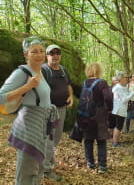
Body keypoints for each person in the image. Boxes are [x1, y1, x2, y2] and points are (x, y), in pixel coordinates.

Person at [0, 36, 57, 185]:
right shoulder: (22, 73)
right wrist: (27, 87)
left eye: (41, 51)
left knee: (37, 167)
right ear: (26, 54)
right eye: (34, 52)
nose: (39, 54)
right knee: (26, 170)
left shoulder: (42, 72)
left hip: (41, 126)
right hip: (29, 128)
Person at [41, 44, 73, 180]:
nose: (55, 55)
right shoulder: (43, 70)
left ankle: (48, 160)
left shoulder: (63, 70)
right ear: (46, 55)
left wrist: (70, 96)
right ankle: (45, 169)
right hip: (48, 110)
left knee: (57, 137)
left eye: (57, 53)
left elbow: (68, 85)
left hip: (62, 109)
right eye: (51, 53)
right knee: (48, 138)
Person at [80, 63, 113, 173]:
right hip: (99, 114)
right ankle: (102, 166)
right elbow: (108, 97)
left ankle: (90, 163)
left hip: (86, 114)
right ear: (99, 71)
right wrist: (110, 108)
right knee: (101, 140)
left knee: (88, 139)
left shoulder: (85, 82)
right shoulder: (102, 83)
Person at [112, 71, 134, 147]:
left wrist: (131, 91)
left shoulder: (124, 86)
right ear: (121, 78)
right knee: (118, 126)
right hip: (119, 110)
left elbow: (126, 93)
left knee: (118, 126)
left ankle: (115, 141)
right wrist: (133, 93)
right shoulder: (118, 88)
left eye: (127, 77)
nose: (127, 79)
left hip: (121, 109)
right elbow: (124, 99)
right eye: (125, 77)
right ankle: (114, 143)